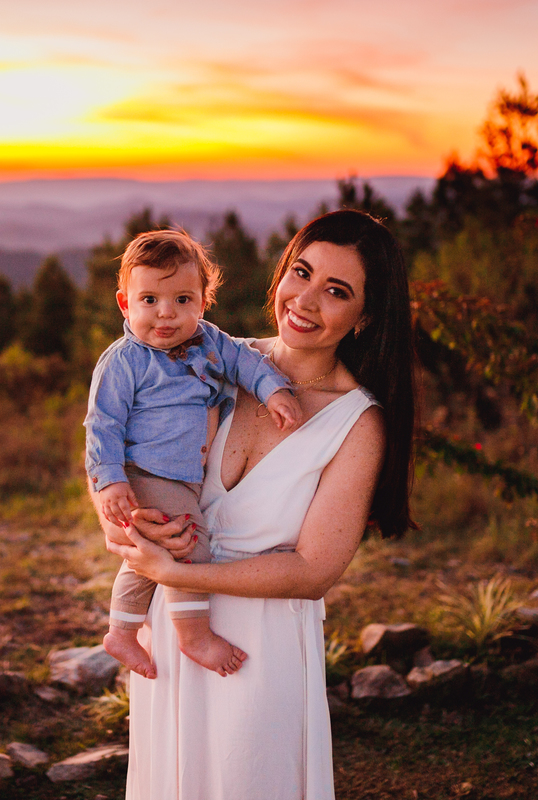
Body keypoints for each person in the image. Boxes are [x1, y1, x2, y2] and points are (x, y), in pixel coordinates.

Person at [96, 209, 416, 800]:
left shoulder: (357, 422)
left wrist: (178, 570)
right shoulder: (209, 355)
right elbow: (120, 443)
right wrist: (119, 528)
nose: (307, 299)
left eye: (336, 291)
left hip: (255, 651)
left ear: (364, 316)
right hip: (169, 636)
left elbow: (314, 570)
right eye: (302, 272)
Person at [86, 229, 304, 680]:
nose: (166, 314)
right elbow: (102, 424)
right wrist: (109, 481)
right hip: (145, 473)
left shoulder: (209, 341)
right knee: (188, 543)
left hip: (183, 476)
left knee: (150, 553)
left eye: (183, 300)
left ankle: (121, 632)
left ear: (203, 301)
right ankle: (194, 636)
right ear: (125, 303)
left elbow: (247, 363)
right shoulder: (124, 361)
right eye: (150, 301)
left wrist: (275, 390)